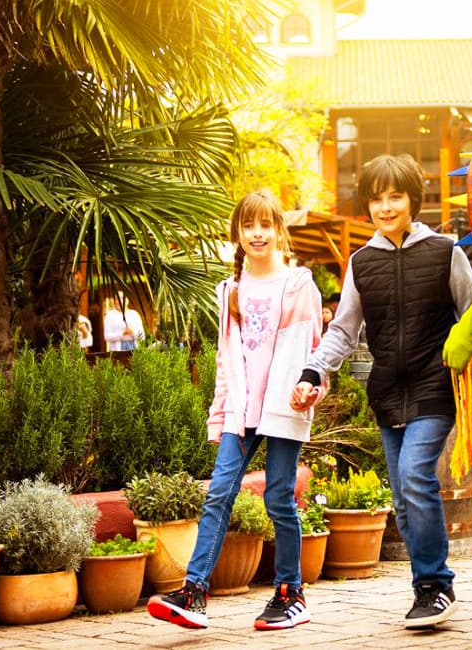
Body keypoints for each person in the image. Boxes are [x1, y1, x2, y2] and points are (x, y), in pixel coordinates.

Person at [298, 154, 472, 630]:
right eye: (376, 198)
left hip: (434, 387)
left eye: (394, 196)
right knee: (402, 496)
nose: (385, 206)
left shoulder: (445, 252)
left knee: (416, 477)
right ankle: (426, 588)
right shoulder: (362, 262)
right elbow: (342, 330)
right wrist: (314, 371)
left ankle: (436, 585)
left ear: (412, 199)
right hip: (386, 394)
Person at [148, 191, 324, 631]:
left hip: (284, 408)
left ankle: (290, 593)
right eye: (249, 225)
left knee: (279, 498)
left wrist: (310, 392)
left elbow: (313, 355)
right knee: (218, 493)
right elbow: (227, 362)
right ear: (238, 233)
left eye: (266, 224)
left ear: (278, 230)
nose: (257, 233)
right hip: (241, 412)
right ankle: (194, 592)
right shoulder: (229, 290)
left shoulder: (298, 285)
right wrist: (219, 414)